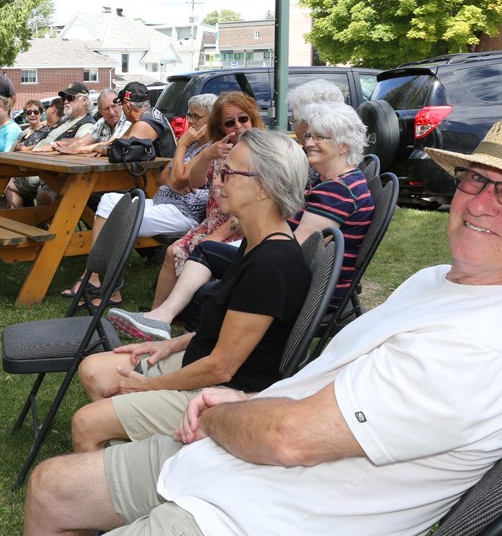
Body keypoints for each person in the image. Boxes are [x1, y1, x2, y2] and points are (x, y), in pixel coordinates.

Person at [24, 98, 502, 536]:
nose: (482, 202)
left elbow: (284, 440)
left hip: (265, 516)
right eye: (476, 180)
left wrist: (228, 407)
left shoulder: (486, 350)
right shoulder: (436, 283)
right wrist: (234, 405)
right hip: (234, 463)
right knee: (51, 486)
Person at [70, 130, 312, 453]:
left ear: (264, 187)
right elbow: (225, 326)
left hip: (222, 394)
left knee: (85, 423)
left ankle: (127, 473)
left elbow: (221, 367)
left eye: (227, 173)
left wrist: (149, 387)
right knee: (93, 372)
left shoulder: (271, 266)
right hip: (203, 362)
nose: (217, 183)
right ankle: (139, 445)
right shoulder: (258, 241)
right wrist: (173, 344)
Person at [108, 101, 375, 342]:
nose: (310, 142)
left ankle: (193, 346)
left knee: (209, 288)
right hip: (306, 275)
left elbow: (300, 249)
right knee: (206, 249)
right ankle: (163, 318)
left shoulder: (337, 191)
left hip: (311, 287)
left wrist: (255, 240)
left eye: (320, 137)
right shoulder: (341, 182)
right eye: (309, 136)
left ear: (344, 145)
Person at [59, 94, 217, 301]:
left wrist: (182, 147)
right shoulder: (194, 144)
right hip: (163, 202)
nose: (192, 121)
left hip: (184, 212)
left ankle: (110, 286)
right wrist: (175, 180)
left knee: (123, 217)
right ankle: (96, 276)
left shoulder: (209, 147)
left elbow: (179, 177)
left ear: (212, 120)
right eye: (189, 115)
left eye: (197, 116)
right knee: (108, 200)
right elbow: (164, 177)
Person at [150, 92, 265, 307]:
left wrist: (215, 237)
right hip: (211, 223)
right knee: (172, 251)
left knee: (200, 253)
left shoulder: (261, 154)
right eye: (230, 123)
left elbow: (250, 210)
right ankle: (155, 313)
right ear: (221, 127)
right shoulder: (221, 149)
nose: (238, 126)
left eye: (243, 119)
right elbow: (194, 182)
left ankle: (181, 313)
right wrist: (206, 155)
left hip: (242, 229)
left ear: (252, 118)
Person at [52, 89, 130, 155]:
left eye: (114, 106)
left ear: (120, 105)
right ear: (100, 111)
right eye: (106, 109)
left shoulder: (127, 120)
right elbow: (82, 142)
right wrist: (67, 149)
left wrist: (77, 150)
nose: (111, 112)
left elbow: (111, 144)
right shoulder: (102, 122)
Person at [31, 83, 96, 150]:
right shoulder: (65, 119)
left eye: (70, 98)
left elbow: (80, 141)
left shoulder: (87, 124)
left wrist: (53, 145)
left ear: (84, 100)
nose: (65, 101)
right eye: (64, 98)